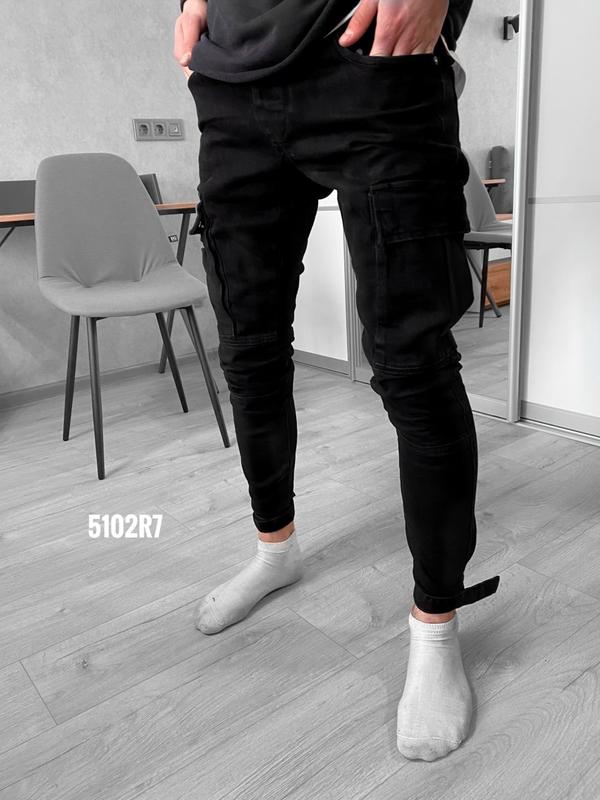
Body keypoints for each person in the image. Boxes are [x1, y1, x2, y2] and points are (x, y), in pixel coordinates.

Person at [173, 0, 500, 762]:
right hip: (231, 81)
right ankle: (275, 549)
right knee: (249, 348)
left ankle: (436, 622)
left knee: (414, 364)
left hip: (372, 58)